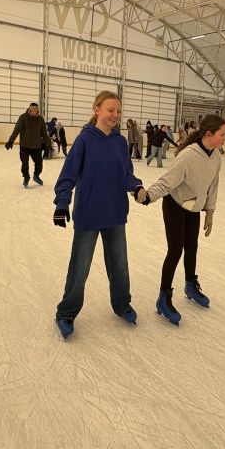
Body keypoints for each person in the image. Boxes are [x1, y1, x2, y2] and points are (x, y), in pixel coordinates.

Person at [52, 91, 144, 339]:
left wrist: (136, 187)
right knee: (79, 267)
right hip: (89, 214)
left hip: (115, 213)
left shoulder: (120, 142)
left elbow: (126, 174)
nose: (115, 115)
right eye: (110, 110)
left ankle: (122, 304)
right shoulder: (85, 140)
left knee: (119, 264)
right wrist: (62, 204)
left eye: (118, 111)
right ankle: (66, 313)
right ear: (97, 110)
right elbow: (68, 175)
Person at [136, 114, 225, 326]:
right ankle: (163, 298)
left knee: (192, 246)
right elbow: (167, 181)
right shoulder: (188, 156)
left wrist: (210, 210)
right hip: (175, 204)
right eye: (222, 134)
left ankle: (190, 285)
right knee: (176, 249)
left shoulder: (216, 157)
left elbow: (213, 185)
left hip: (193, 206)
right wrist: (148, 196)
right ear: (209, 134)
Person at [5, 102, 49, 188]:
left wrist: (48, 143)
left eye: (36, 111)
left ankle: (36, 176)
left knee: (39, 163)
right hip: (24, 145)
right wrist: (11, 141)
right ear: (30, 110)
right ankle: (26, 177)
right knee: (25, 164)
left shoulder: (40, 119)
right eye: (33, 111)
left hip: (36, 146)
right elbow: (16, 130)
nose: (35, 112)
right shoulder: (23, 117)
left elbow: (44, 132)